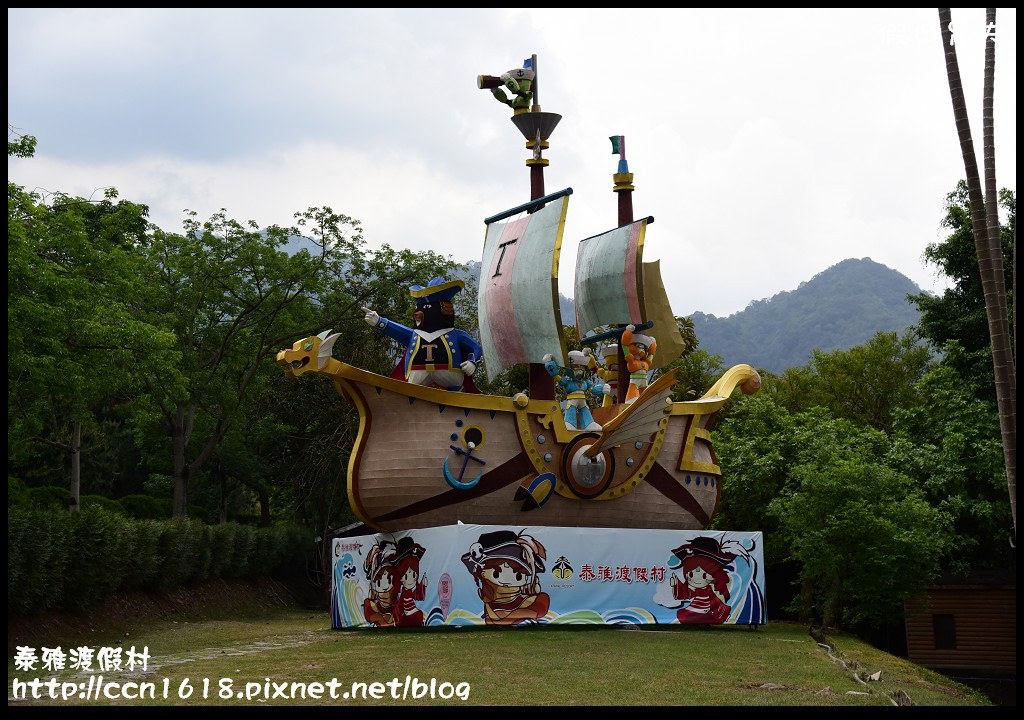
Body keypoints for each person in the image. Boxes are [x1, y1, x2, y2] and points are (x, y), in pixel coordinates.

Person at [362, 277, 482, 392]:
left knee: (455, 388)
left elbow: (475, 347)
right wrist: (379, 321)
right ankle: (411, 401)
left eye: (427, 308)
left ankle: (458, 400)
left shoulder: (455, 334)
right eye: (419, 308)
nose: (419, 313)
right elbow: (398, 331)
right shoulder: (416, 334)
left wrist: (472, 361)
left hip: (451, 376)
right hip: (417, 373)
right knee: (412, 389)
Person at [669, 537, 735, 624]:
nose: (696, 579)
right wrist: (675, 585)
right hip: (696, 607)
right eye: (691, 574)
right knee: (684, 614)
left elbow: (716, 601)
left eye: (704, 575)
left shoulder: (710, 592)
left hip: (706, 609)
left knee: (708, 615)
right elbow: (687, 594)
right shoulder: (696, 591)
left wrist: (723, 611)